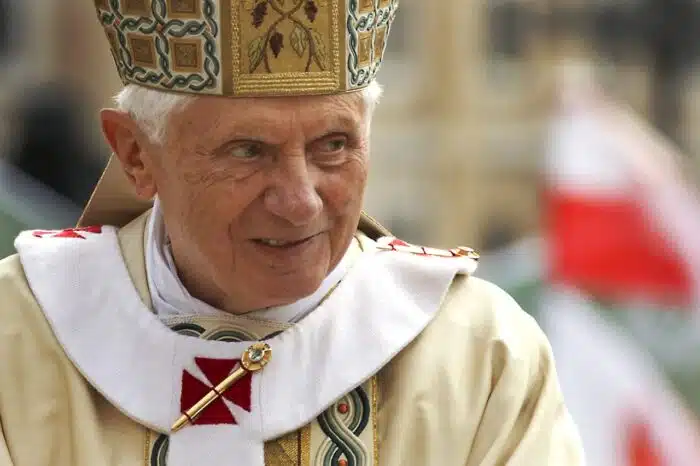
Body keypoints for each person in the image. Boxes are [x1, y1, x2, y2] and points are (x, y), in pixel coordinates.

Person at [0, 1, 585, 465]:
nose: (300, 203)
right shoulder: (18, 337)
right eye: (248, 151)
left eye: (334, 145)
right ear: (136, 154)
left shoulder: (478, 356)